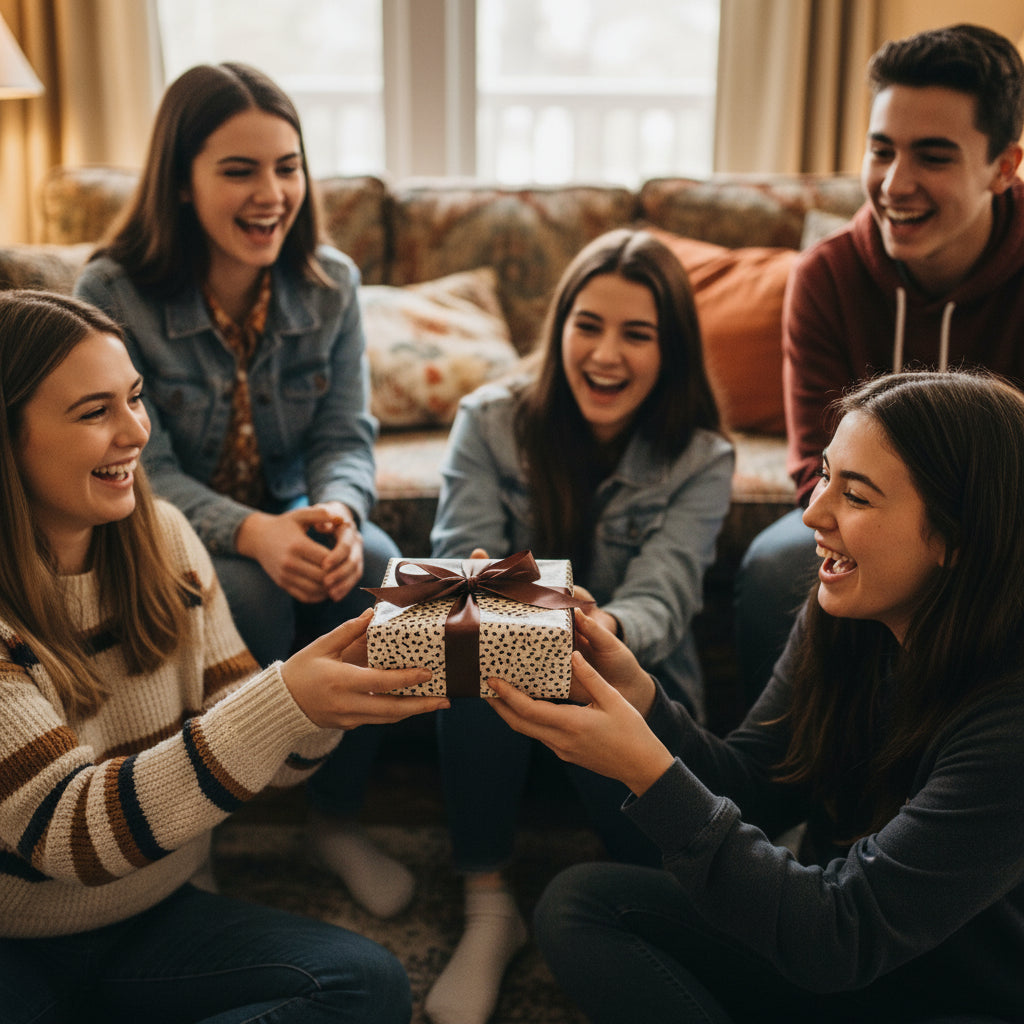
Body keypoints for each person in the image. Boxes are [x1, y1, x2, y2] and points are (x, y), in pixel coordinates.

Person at [489, 368, 1024, 1023]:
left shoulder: (1008, 724)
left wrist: (646, 771)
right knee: (583, 904)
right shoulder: (848, 615)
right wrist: (642, 698)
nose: (812, 513)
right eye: (825, 474)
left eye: (855, 496)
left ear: (954, 539)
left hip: (946, 990)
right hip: (835, 945)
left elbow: (839, 936)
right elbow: (758, 787)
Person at [0, 290, 449, 1023]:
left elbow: (268, 764)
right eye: (94, 412)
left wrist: (337, 694)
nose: (135, 432)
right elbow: (71, 834)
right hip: (14, 939)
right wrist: (285, 701)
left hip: (149, 914)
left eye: (136, 399)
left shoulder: (165, 538)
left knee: (369, 986)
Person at [74, 62, 412, 918]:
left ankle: (334, 821)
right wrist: (254, 532)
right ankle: (197, 837)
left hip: (291, 510)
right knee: (239, 595)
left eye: (287, 167)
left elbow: (346, 434)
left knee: (378, 568)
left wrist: (337, 509)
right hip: (162, 529)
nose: (272, 194)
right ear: (181, 181)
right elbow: (138, 466)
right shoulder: (112, 290)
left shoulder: (331, 283)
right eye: (239, 170)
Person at [424, 228, 734, 1024]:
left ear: (672, 351)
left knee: (570, 668)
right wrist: (502, 600)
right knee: (476, 634)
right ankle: (488, 901)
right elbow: (456, 562)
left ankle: (661, 894)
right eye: (588, 325)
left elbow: (664, 598)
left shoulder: (701, 458)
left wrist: (599, 629)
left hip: (627, 674)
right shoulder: (487, 421)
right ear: (558, 325)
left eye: (638, 334)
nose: (606, 354)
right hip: (501, 683)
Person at [734, 23, 1024, 705]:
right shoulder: (825, 276)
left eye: (933, 156)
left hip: (1006, 521)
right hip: (869, 511)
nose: (896, 183)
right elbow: (813, 465)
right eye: (881, 149)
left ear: (1005, 166)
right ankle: (788, 776)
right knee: (776, 567)